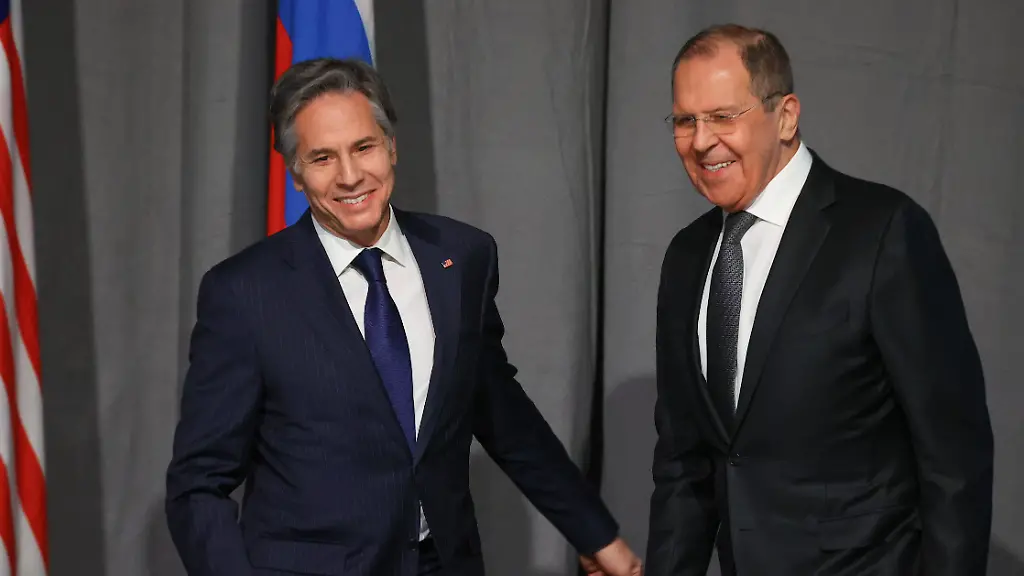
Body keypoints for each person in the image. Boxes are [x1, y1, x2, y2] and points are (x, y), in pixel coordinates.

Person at [165, 57, 641, 576]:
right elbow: (199, 482)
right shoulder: (244, 293)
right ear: (295, 174)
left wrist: (595, 533)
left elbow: (504, 416)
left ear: (391, 146)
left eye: (363, 147)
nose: (350, 176)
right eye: (322, 157)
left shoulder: (462, 257)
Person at [646, 24, 993, 576]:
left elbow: (953, 455)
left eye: (723, 116)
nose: (701, 140)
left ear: (785, 116)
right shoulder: (687, 257)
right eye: (686, 121)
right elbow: (683, 465)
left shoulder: (882, 231)